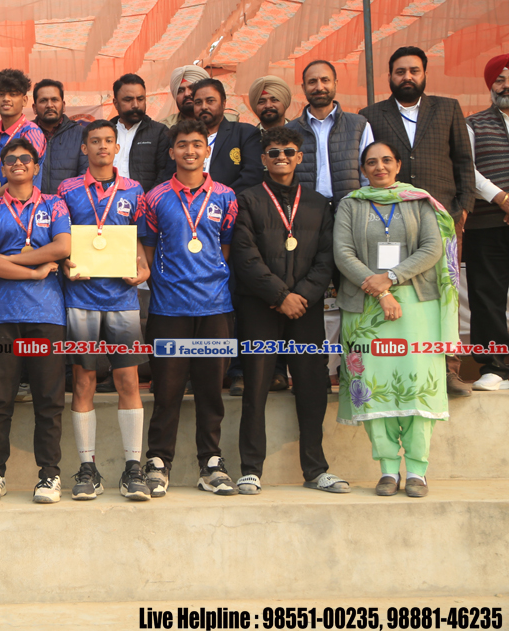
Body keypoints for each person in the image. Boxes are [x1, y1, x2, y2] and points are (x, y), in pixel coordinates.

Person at [334, 141, 456, 498]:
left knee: (416, 384)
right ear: (363, 169)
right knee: (373, 385)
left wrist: (391, 277)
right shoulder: (351, 204)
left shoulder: (419, 202)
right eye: (371, 162)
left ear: (399, 165)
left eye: (387, 160)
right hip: (365, 305)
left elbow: (432, 248)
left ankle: (417, 471)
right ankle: (388, 469)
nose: (380, 167)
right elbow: (343, 253)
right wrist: (380, 291)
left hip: (417, 305)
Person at [230, 127, 348, 495]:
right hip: (260, 306)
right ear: (263, 159)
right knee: (256, 386)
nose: (281, 157)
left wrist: (302, 296)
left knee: (312, 385)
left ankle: (316, 469)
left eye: (288, 151)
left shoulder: (318, 203)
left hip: (305, 309)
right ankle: (251, 469)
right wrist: (280, 295)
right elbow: (244, 256)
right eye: (274, 152)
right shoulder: (247, 200)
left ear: (299, 157)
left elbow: (327, 258)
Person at [360, 46, 475, 397]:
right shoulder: (371, 115)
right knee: (401, 291)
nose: (407, 77)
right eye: (400, 71)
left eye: (414, 70)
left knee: (445, 293)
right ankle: (403, 366)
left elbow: (463, 161)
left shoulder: (448, 108)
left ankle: (448, 370)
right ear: (389, 76)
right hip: (392, 220)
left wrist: (463, 208)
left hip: (443, 217)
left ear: (424, 74)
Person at [140, 118, 239, 497]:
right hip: (169, 310)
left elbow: (224, 249)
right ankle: (158, 462)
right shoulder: (155, 198)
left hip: (215, 308)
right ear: (172, 152)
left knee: (211, 390)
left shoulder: (226, 197)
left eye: (197, 144)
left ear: (207, 150)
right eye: (182, 145)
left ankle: (210, 464)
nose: (190, 151)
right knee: (167, 391)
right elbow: (148, 252)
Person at [57, 120, 152, 502]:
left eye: (108, 141)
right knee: (84, 382)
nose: (101, 146)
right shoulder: (67, 190)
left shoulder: (133, 189)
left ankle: (133, 468)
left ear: (117, 148)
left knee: (128, 380)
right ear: (84, 148)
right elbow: (61, 238)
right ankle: (88, 469)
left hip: (122, 299)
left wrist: (143, 269)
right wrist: (64, 264)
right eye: (94, 141)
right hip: (80, 298)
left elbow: (139, 238)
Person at [0, 138, 71, 503]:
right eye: (11, 159)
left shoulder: (54, 203)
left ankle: (49, 475)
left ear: (36, 167)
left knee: (48, 399)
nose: (18, 163)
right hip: (0, 315)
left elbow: (62, 247)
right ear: (2, 168)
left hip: (46, 315)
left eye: (25, 158)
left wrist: (9, 259)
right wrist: (33, 269)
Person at [464, 55, 509, 392]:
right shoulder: (473, 124)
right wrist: (502, 199)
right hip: (488, 223)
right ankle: (495, 367)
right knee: (486, 295)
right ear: (490, 86)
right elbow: (469, 170)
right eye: (500, 80)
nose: (506, 86)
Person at [287, 60, 374, 209]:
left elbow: (369, 176)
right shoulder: (290, 131)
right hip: (304, 211)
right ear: (303, 87)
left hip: (350, 210)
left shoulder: (359, 126)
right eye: (312, 82)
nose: (319, 87)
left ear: (335, 83)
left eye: (325, 80)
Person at [0, 68, 47, 211]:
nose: (6, 99)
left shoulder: (31, 133)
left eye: (13, 94)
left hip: (22, 212)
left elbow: (20, 179)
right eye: (1, 94)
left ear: (24, 100)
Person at [109, 73, 172, 194]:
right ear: (115, 103)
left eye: (140, 99)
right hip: (107, 201)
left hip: (145, 202)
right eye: (128, 100)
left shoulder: (159, 132)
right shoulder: (103, 133)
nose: (135, 105)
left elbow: (164, 174)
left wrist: (147, 200)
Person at [33, 79, 88, 194]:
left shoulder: (81, 134)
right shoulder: (26, 134)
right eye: (43, 100)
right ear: (34, 108)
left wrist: (67, 201)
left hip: (69, 203)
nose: (49, 105)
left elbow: (85, 174)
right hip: (33, 204)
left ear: (63, 105)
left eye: (54, 100)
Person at [161, 65, 238, 128]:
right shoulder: (165, 127)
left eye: (192, 88)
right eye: (180, 91)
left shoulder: (231, 123)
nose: (187, 94)